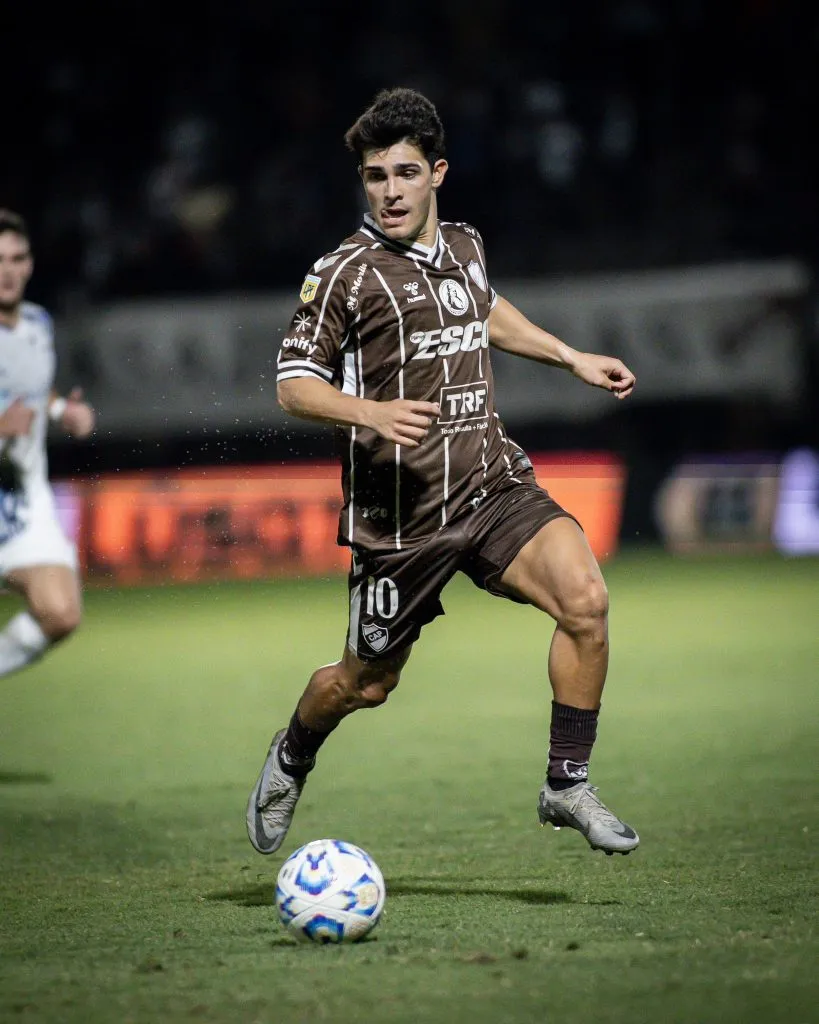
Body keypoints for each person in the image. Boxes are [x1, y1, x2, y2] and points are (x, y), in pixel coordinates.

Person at [247, 88, 639, 858]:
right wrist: (370, 413)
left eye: (403, 173)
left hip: (491, 485)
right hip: (401, 520)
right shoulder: (342, 275)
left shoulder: (463, 245)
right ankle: (293, 751)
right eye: (373, 176)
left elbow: (483, 308)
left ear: (437, 173)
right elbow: (293, 384)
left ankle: (566, 783)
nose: (389, 191)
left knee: (585, 601)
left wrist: (569, 357)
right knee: (365, 684)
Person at [0, 210, 95, 679]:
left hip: (22, 504)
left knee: (60, 612)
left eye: (17, 258)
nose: (7, 270)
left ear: (30, 264)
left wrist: (62, 412)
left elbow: (37, 392)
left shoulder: (38, 324)